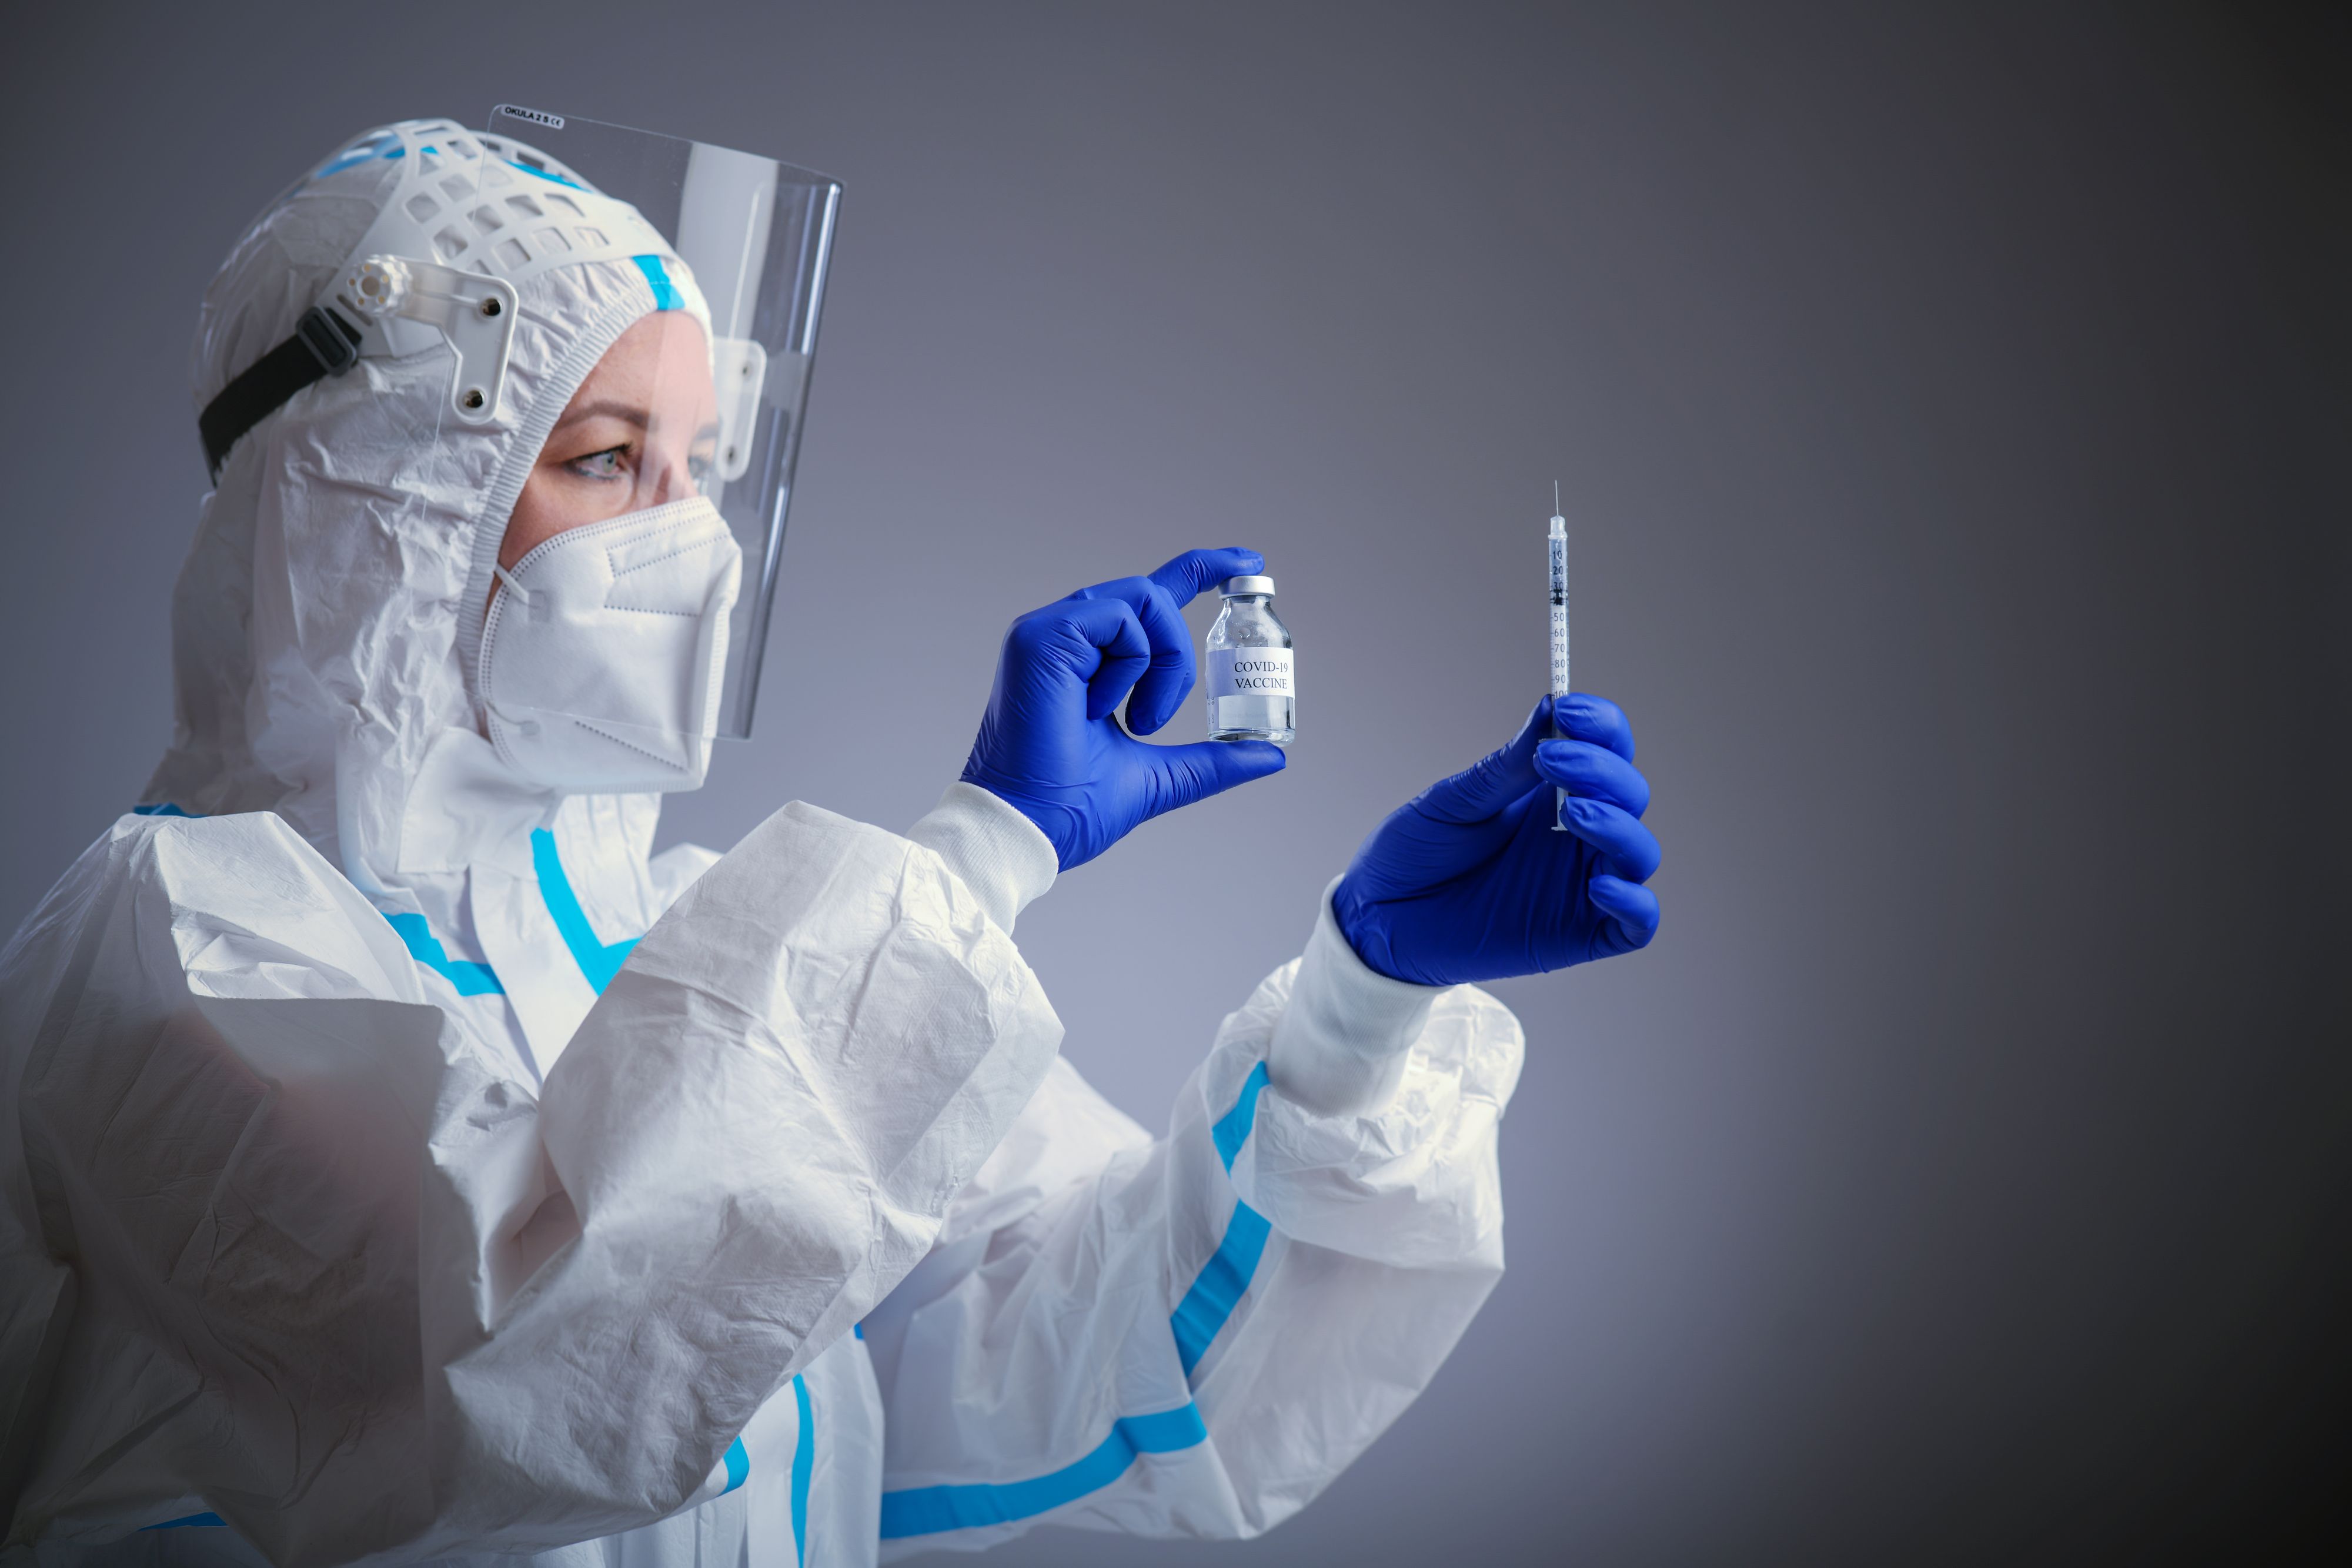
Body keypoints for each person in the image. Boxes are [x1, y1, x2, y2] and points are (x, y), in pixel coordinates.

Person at [0, 120, 1661, 1568]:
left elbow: (1110, 1366)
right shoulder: (171, 952)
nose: (689, 541)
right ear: (379, 496)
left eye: (701, 467)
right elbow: (509, 1375)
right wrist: (985, 848)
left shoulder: (693, 950)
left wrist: (1362, 1001)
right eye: (606, 459)